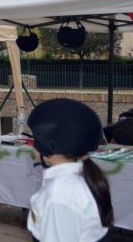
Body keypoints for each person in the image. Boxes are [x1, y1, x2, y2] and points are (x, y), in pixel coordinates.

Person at [27, 98, 113, 242]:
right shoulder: (81, 177)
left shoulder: (58, 196)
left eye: (35, 139)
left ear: (50, 145)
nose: (31, 145)